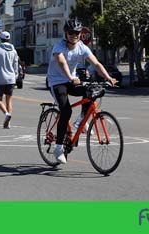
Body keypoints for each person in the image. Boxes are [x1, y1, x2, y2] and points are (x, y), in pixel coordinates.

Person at [46, 18, 117, 164]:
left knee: (92, 91)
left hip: (71, 80)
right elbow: (62, 62)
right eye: (71, 33)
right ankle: (59, 148)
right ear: (66, 33)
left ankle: (81, 121)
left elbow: (96, 63)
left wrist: (108, 77)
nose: (75, 35)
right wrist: (71, 77)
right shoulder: (59, 47)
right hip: (56, 81)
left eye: (77, 33)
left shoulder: (82, 47)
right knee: (66, 111)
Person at [0, 31, 19, 129]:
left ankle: (6, 114)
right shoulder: (13, 51)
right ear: (9, 39)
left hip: (0, 78)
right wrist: (15, 76)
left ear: (0, 39)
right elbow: (16, 65)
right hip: (11, 78)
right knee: (9, 100)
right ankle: (8, 123)